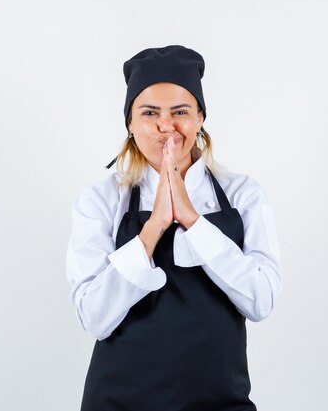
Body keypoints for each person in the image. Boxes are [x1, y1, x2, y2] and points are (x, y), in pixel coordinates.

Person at [65, 45, 283, 411]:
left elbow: (261, 300)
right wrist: (155, 227)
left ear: (200, 118)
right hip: (117, 402)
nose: (167, 126)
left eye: (180, 111)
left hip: (221, 402)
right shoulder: (100, 200)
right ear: (130, 124)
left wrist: (194, 221)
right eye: (149, 113)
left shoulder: (243, 194)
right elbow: (94, 317)